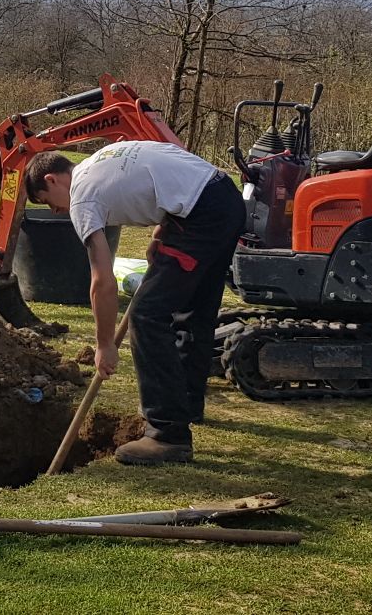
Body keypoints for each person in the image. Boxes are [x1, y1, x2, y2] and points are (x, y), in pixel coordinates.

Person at [25, 141, 245, 465]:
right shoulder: (103, 158)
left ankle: (167, 435)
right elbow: (171, 169)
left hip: (199, 217)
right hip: (224, 198)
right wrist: (161, 235)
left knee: (146, 315)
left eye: (48, 203)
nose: (56, 211)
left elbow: (102, 281)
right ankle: (184, 405)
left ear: (51, 180)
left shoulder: (82, 198)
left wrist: (104, 345)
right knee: (193, 313)